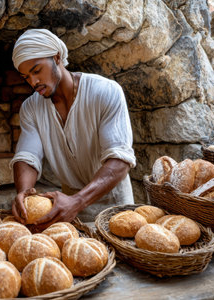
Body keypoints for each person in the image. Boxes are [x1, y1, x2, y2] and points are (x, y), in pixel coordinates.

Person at [10, 28, 136, 228]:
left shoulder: (105, 92)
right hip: (65, 208)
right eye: (26, 77)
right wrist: (24, 192)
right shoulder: (31, 108)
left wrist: (78, 201)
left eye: (36, 70)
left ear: (57, 57)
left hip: (114, 206)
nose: (33, 82)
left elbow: (120, 158)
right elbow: (27, 156)